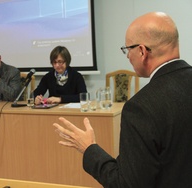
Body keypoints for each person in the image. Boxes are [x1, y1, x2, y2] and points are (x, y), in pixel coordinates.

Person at [53, 12, 192, 188]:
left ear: (142, 51)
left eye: (127, 49)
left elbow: (126, 184)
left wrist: (89, 149)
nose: (127, 56)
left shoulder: (141, 107)